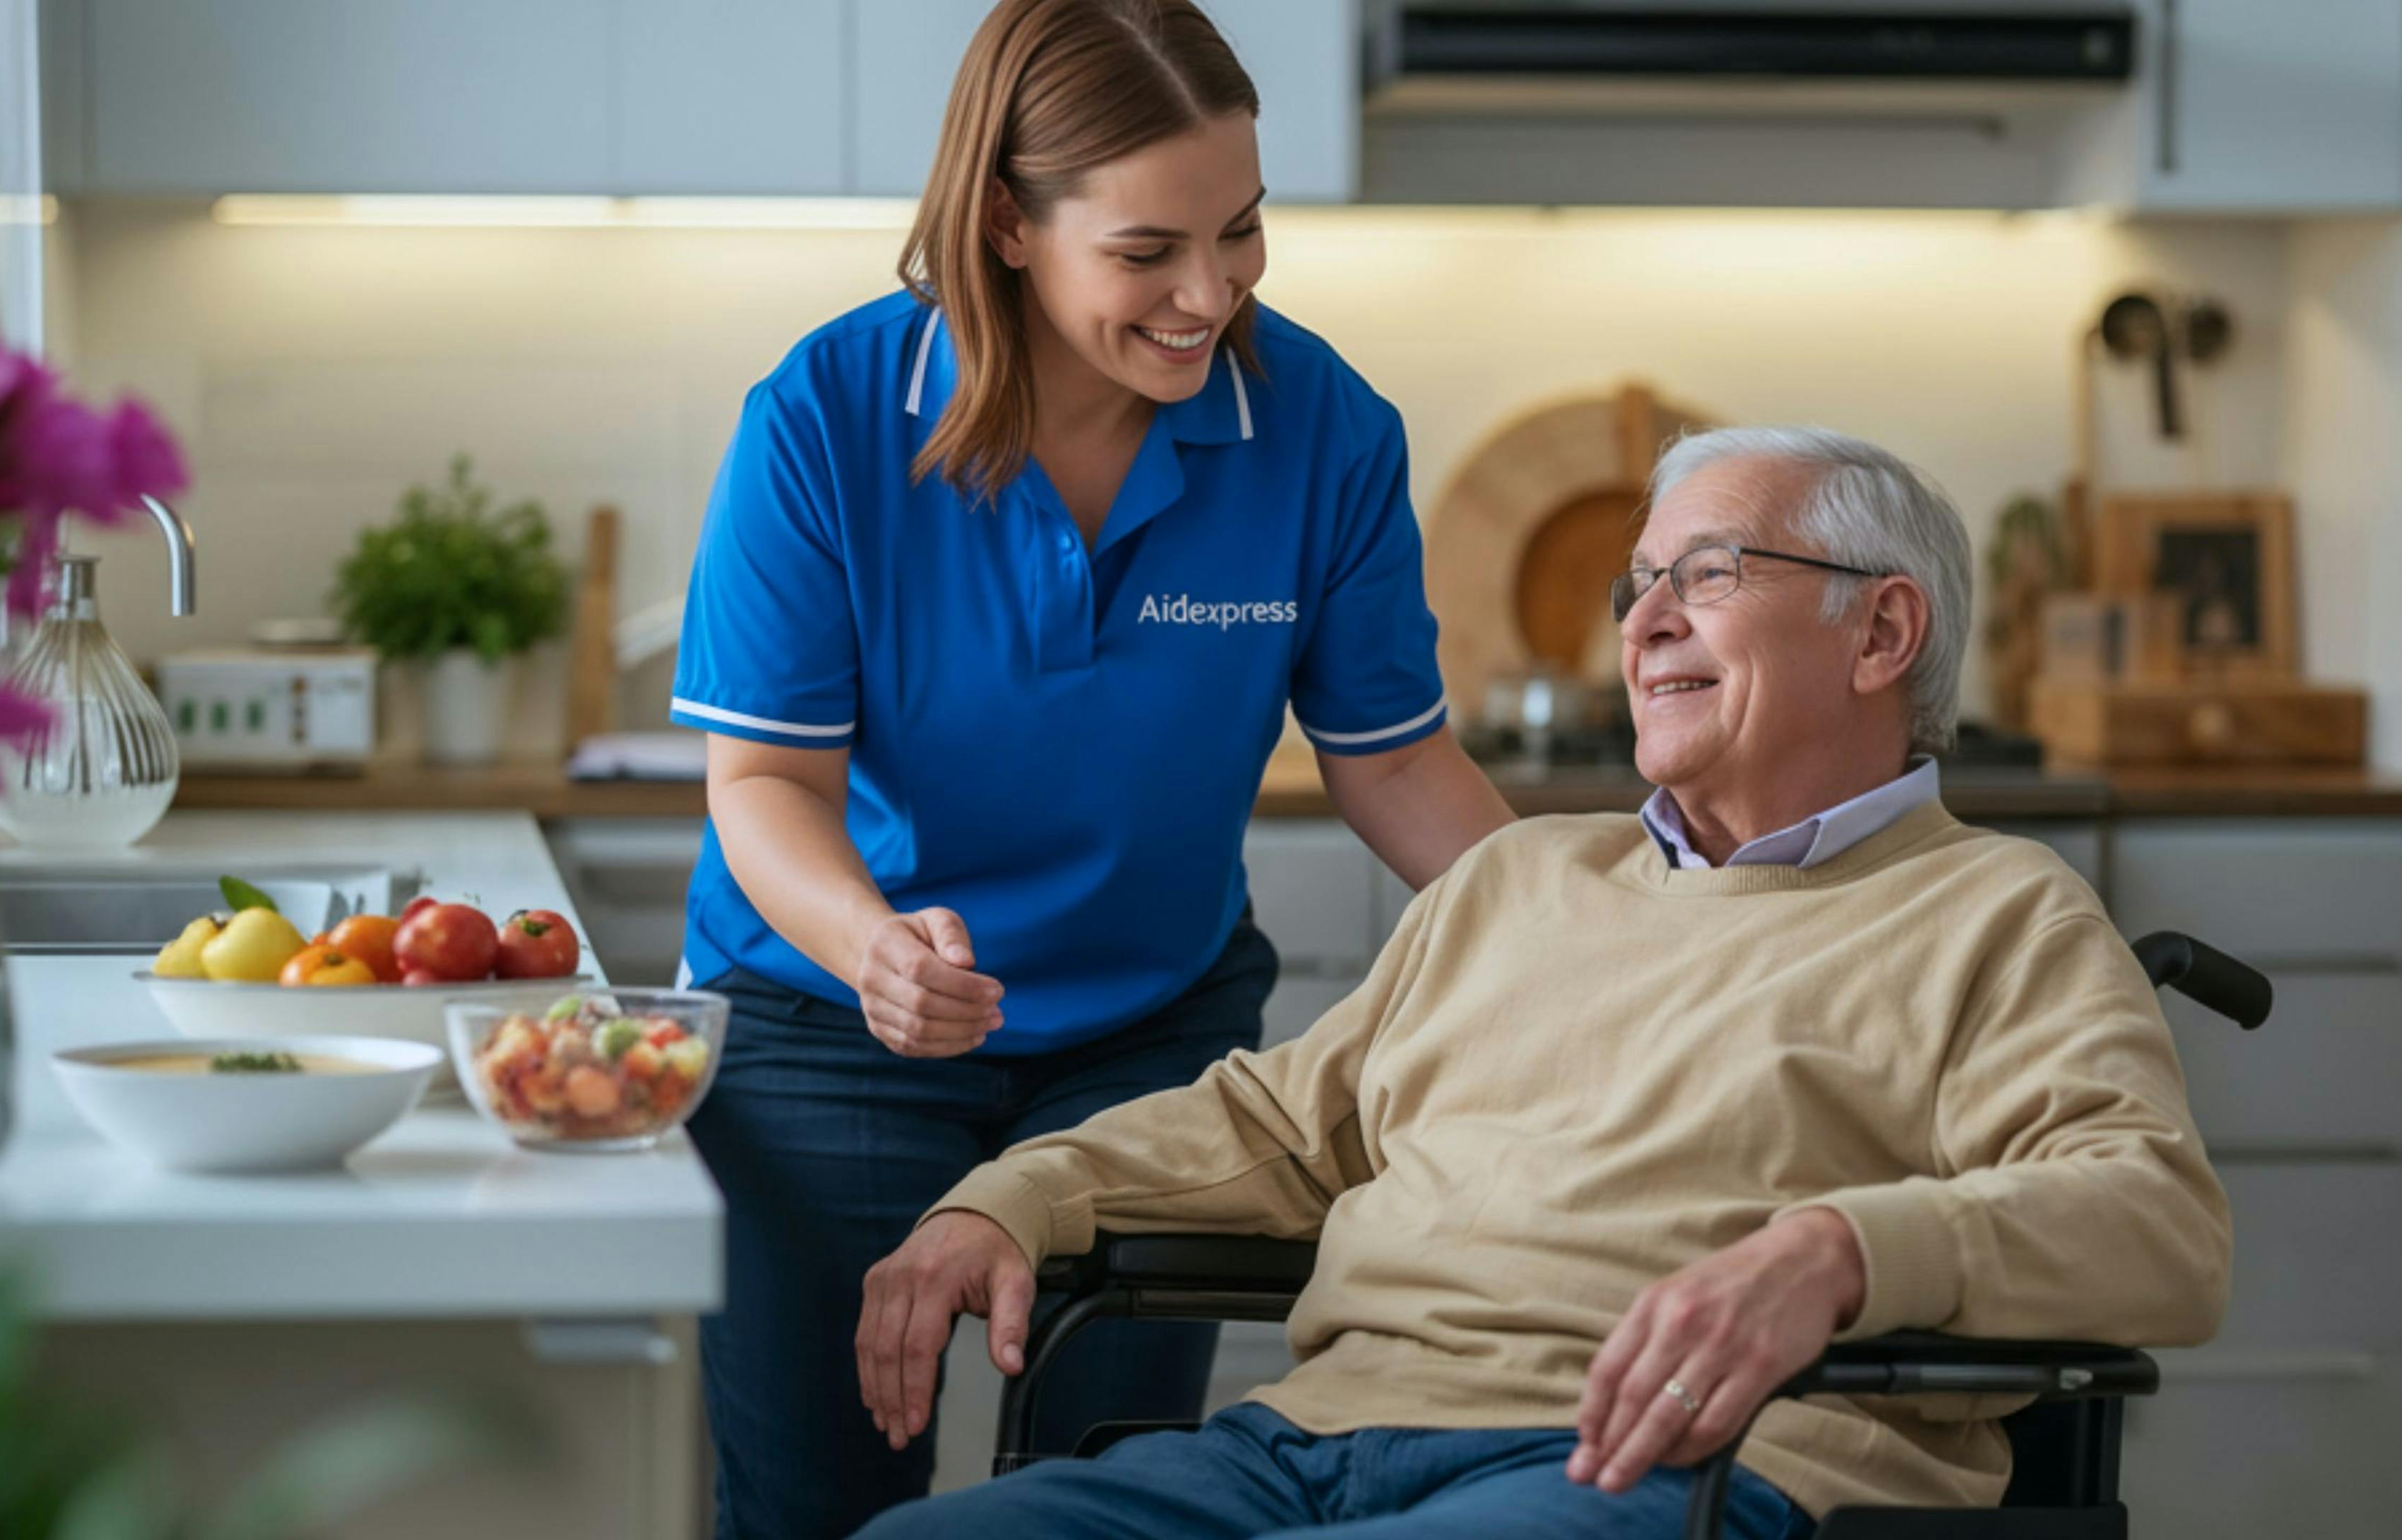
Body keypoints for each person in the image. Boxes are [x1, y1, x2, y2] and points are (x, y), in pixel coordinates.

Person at [851, 427, 2233, 1540]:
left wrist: (1843, 1251)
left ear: (1880, 636)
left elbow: (2156, 1222)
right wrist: (1013, 1198)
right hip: (1314, 1444)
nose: (1643, 624)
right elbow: (1270, 1130)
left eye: (1709, 574)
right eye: (1642, 585)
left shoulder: (1996, 913)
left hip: (1680, 1465)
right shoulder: (1517, 882)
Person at [665, 2, 1514, 1534]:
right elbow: (765, 787)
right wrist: (875, 949)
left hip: (1148, 1036)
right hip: (831, 1031)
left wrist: (1595, 923)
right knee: (816, 1505)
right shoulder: (827, 418)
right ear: (1006, 221)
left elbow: (1393, 765)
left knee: (1110, 1505)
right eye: (1148, 252)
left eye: (1243, 231)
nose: (1212, 294)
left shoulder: (1320, 427)